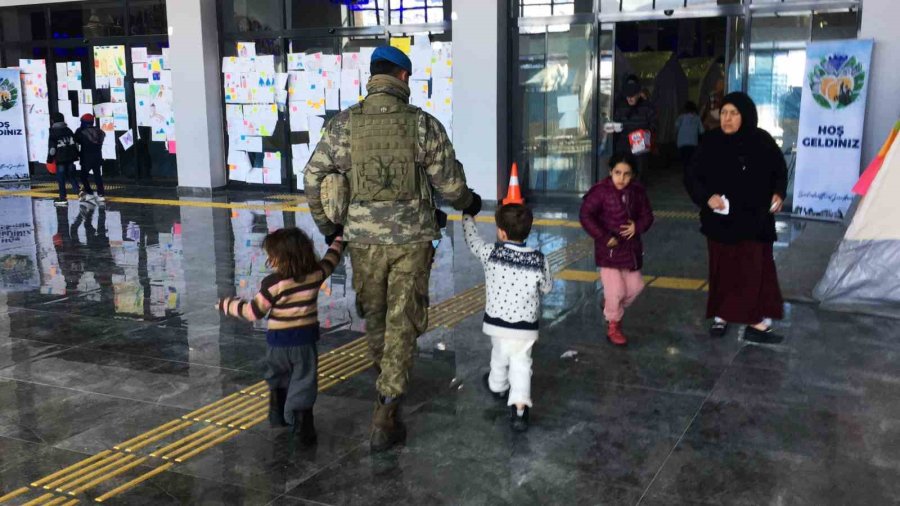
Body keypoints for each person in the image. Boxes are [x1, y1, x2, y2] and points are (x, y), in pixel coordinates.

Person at [303, 45, 482, 452]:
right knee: (404, 320)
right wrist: (470, 203)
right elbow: (450, 185)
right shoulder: (422, 125)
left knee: (377, 317)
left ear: (372, 77)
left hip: (362, 241)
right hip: (411, 241)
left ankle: (385, 383)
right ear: (403, 78)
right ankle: (387, 407)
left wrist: (328, 225)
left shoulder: (344, 124)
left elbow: (313, 177)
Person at [217, 228, 345, 446]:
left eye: (271, 255)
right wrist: (340, 239)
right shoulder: (315, 274)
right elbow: (331, 259)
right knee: (303, 381)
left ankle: (277, 413)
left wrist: (227, 305)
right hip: (304, 344)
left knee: (279, 377)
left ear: (281, 257)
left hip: (278, 345)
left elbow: (252, 313)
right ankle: (302, 426)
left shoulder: (273, 283)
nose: (270, 259)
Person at [683, 92, 787, 344]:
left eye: (734, 113)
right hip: (721, 221)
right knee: (723, 269)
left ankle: (756, 321)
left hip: (755, 221)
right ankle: (722, 316)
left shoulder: (761, 140)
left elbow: (779, 169)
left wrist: (779, 193)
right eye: (724, 113)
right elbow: (691, 177)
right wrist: (707, 197)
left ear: (746, 115)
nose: (727, 119)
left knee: (754, 269)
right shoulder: (711, 142)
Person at [461, 204, 551, 432]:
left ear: (501, 232)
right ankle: (520, 410)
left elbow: (473, 242)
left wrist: (467, 217)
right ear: (528, 230)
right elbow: (547, 287)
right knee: (521, 364)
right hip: (525, 327)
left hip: (496, 324)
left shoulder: (491, 252)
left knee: (499, 354)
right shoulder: (539, 259)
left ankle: (497, 386)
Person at [579, 153, 655, 346]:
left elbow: (647, 216)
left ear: (633, 175)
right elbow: (586, 215)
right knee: (616, 291)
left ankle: (610, 306)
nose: (621, 178)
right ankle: (614, 324)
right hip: (609, 251)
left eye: (627, 174)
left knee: (636, 286)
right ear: (610, 172)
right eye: (618, 173)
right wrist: (604, 237)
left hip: (631, 250)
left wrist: (637, 227)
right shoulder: (600, 191)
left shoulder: (638, 191)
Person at [613, 78, 656, 176]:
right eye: (627, 96)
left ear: (638, 94)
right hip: (623, 145)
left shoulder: (647, 107)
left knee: (639, 173)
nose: (629, 98)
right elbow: (616, 122)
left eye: (632, 95)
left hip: (640, 145)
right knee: (623, 172)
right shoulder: (621, 107)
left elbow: (654, 124)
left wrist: (645, 133)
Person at [47, 112, 80, 207]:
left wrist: (49, 160)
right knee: (71, 177)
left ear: (52, 121)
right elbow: (75, 144)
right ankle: (80, 194)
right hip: (70, 158)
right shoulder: (68, 130)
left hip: (60, 160)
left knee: (61, 179)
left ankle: (62, 198)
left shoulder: (53, 132)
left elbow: (52, 150)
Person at [74, 113, 106, 204]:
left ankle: (89, 192)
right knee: (97, 176)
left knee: (83, 176)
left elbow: (76, 141)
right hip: (97, 156)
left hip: (86, 157)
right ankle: (101, 194)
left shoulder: (81, 132)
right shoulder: (99, 131)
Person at [675, 101, 703, 168]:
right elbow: (702, 131)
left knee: (684, 162)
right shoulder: (697, 118)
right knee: (691, 163)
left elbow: (676, 127)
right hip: (693, 144)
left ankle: (686, 175)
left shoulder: (681, 117)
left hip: (681, 143)